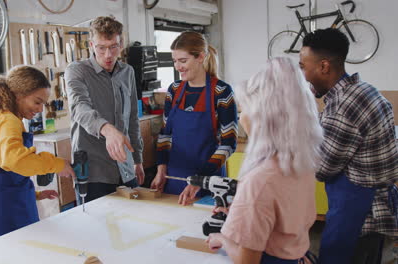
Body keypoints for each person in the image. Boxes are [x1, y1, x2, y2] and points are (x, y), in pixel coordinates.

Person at [206, 57, 324, 263]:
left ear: (262, 117)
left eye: (245, 110)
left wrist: (224, 239)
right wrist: (243, 215)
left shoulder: (259, 180)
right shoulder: (300, 162)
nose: (242, 118)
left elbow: (247, 261)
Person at [299, 28, 398, 264]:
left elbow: (322, 169)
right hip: (379, 205)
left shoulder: (342, 109)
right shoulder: (365, 90)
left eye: (304, 66)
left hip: (359, 215)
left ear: (324, 66)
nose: (302, 74)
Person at [0, 65, 75, 242]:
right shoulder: (7, 120)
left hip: (10, 196)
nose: (40, 110)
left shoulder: (6, 118)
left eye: (43, 104)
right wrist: (57, 164)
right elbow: (17, 161)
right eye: (37, 102)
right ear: (18, 95)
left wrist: (34, 194)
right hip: (2, 203)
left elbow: (6, 166)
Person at [150, 31, 238, 205]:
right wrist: (161, 169)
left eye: (183, 61)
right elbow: (165, 135)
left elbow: (228, 144)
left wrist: (199, 179)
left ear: (201, 57)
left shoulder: (221, 92)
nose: (177, 66)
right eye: (174, 61)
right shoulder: (174, 90)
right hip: (175, 179)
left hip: (209, 182)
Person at [65, 16, 144, 202]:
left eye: (113, 47)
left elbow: (132, 117)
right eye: (101, 48)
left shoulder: (128, 72)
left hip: (126, 167)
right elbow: (79, 107)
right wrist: (107, 130)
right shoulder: (77, 70)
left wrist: (138, 160)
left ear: (121, 44)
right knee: (96, 228)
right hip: (94, 172)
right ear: (91, 45)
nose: (108, 55)